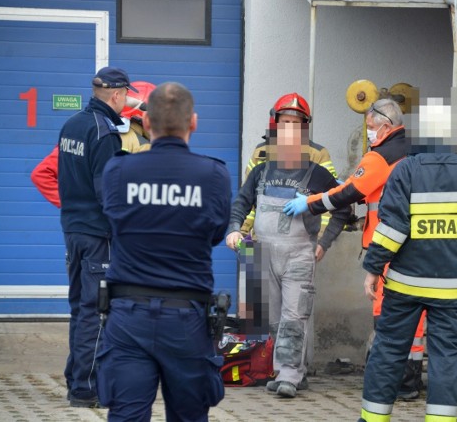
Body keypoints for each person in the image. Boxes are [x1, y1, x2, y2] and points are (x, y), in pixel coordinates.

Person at [97, 82, 231, 421]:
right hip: (186, 319)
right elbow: (215, 234)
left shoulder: (119, 170)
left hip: (128, 315)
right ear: (193, 123)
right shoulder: (213, 175)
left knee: (126, 415)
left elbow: (112, 221)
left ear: (146, 121)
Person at [356, 121, 457, 422]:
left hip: (404, 287)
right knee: (446, 358)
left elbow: (392, 228)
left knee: (389, 354)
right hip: (451, 288)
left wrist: (373, 267)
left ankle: (372, 419)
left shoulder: (405, 170)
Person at [283, 98, 427, 399]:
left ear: (386, 126)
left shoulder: (379, 157)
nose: (369, 133)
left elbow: (347, 194)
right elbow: (373, 192)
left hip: (389, 247)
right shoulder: (414, 152)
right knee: (414, 320)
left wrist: (308, 203)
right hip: (418, 245)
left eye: (371, 128)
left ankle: (392, 382)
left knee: (386, 314)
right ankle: (410, 381)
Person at [225, 114, 350, 399]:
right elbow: (242, 202)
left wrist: (325, 242)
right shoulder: (261, 171)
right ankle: (283, 370)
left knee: (295, 315)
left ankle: (289, 377)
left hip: (299, 253)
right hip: (262, 251)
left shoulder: (318, 174)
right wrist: (234, 229)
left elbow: (343, 207)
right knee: (269, 319)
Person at [57, 66, 135, 407]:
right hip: (97, 234)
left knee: (79, 308)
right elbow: (108, 194)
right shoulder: (104, 133)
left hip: (73, 229)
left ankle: (76, 377)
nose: (127, 102)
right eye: (125, 96)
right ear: (115, 95)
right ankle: (85, 388)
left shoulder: (71, 125)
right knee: (95, 310)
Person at [31, 81, 156, 208]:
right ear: (141, 116)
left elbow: (41, 174)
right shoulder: (146, 147)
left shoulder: (86, 131)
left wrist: (75, 206)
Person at [240, 92, 338, 237]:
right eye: (285, 122)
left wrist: (320, 241)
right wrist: (242, 232)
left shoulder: (317, 154)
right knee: (251, 258)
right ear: (275, 122)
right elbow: (248, 196)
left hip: (300, 244)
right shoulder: (261, 152)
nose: (290, 128)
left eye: (296, 123)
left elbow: (329, 198)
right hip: (262, 239)